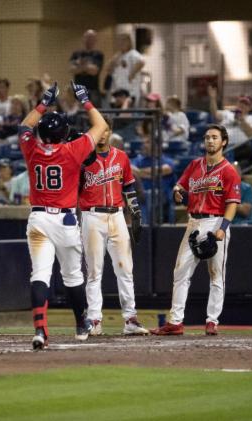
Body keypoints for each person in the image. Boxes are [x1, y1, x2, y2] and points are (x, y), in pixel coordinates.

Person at [20, 81, 107, 350]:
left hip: (38, 220)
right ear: (63, 134)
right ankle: (81, 324)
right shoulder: (71, 151)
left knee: (40, 276)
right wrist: (85, 100)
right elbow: (101, 126)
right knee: (72, 277)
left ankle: (40, 330)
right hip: (65, 220)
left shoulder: (31, 149)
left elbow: (24, 126)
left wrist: (44, 101)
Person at [150, 124, 240, 336]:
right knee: (180, 272)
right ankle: (175, 321)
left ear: (223, 142)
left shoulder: (229, 171)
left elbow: (233, 203)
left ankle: (212, 321)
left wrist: (223, 229)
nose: (210, 141)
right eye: (207, 137)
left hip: (216, 222)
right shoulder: (194, 165)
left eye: (215, 137)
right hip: (194, 222)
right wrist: (177, 191)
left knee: (216, 275)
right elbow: (180, 185)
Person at [79, 120, 148, 336]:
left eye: (105, 129)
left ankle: (130, 319)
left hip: (117, 215)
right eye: (98, 129)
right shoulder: (82, 158)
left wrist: (135, 212)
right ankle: (94, 319)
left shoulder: (121, 157)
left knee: (125, 269)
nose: (101, 133)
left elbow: (128, 185)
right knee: (94, 271)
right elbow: (73, 189)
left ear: (110, 132)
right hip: (92, 215)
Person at [208, 86, 252, 170]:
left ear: (249, 108)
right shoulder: (228, 114)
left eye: (246, 104)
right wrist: (212, 98)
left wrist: (242, 121)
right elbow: (214, 113)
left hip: (240, 148)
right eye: (241, 103)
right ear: (237, 104)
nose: (242, 105)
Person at [130, 134, 176, 224]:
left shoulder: (168, 161)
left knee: (152, 194)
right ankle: (144, 230)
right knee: (146, 196)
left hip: (163, 200)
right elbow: (131, 169)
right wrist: (152, 173)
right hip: (141, 198)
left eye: (147, 142)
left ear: (157, 145)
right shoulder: (138, 160)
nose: (144, 144)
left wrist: (140, 172)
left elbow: (167, 169)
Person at [106, 34, 145, 105]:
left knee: (128, 112)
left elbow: (141, 61)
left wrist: (132, 74)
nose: (121, 43)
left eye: (123, 41)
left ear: (129, 42)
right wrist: (113, 63)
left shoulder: (133, 53)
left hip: (130, 91)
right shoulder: (117, 56)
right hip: (117, 91)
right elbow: (108, 68)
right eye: (119, 41)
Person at [69, 29, 104, 105]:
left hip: (93, 90)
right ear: (83, 39)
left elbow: (94, 71)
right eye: (87, 37)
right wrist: (87, 67)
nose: (89, 40)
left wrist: (80, 66)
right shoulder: (76, 54)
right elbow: (72, 70)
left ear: (95, 40)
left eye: (91, 38)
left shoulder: (98, 55)